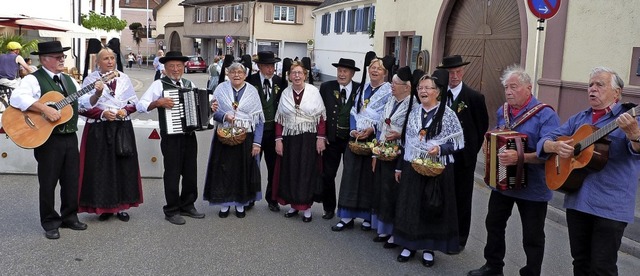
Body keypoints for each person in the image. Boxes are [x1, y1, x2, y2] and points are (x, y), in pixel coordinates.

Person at [538, 67, 640, 275]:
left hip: (610, 205)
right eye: (590, 85)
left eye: (599, 85)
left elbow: (637, 151)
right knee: (580, 262)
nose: (592, 89)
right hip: (578, 201)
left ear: (617, 93)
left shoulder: (630, 118)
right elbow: (545, 140)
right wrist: (555, 146)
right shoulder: (579, 119)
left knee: (603, 267)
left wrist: (635, 135)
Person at [468, 66, 560, 276]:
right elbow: (501, 133)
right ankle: (493, 266)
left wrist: (519, 157)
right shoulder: (504, 111)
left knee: (532, 235)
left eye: (514, 87)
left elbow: (548, 154)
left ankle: (531, 272)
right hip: (503, 182)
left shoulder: (545, 115)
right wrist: (489, 138)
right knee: (494, 223)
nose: (508, 91)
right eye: (506, 87)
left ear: (528, 88)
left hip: (534, 186)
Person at [9, 41, 89, 239]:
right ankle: (50, 221)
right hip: (48, 138)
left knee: (71, 179)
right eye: (57, 56)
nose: (62, 59)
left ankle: (69, 216)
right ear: (45, 60)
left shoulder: (70, 80)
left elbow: (84, 104)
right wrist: (44, 108)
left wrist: (97, 93)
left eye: (62, 56)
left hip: (70, 136)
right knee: (48, 182)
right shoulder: (33, 79)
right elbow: (17, 99)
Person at [393, 70, 464, 267]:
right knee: (410, 205)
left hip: (437, 169)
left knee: (431, 207)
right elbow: (406, 142)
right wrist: (399, 168)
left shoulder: (448, 114)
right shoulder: (414, 112)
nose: (422, 91)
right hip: (412, 165)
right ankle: (409, 245)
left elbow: (458, 143)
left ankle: (428, 249)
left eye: (427, 88)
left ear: (437, 92)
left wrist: (440, 148)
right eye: (420, 88)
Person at [137, 51, 206, 225]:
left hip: (189, 135)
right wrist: (158, 103)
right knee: (172, 173)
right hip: (171, 136)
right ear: (165, 68)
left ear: (183, 67)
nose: (175, 69)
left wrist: (209, 107)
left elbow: (199, 107)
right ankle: (172, 209)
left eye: (179, 66)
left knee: (190, 172)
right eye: (171, 66)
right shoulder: (159, 85)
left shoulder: (189, 83)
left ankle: (188, 205)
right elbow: (141, 105)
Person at [76, 47, 143, 222]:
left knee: (123, 168)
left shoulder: (124, 79)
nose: (110, 61)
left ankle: (122, 206)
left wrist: (124, 111)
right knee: (101, 170)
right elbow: (81, 107)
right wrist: (101, 113)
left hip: (121, 128)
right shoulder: (90, 80)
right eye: (105, 58)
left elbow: (134, 103)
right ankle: (104, 206)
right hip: (99, 129)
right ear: (98, 62)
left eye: (112, 58)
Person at [436, 55, 489, 252]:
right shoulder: (439, 95)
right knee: (440, 194)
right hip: (441, 155)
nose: (455, 76)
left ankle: (459, 238)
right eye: (450, 73)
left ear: (463, 72)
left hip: (463, 158)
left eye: (458, 72)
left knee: (462, 197)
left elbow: (481, 127)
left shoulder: (475, 97)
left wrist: (470, 152)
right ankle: (440, 232)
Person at [332, 57, 392, 232]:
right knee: (350, 175)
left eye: (378, 68)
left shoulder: (388, 91)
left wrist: (372, 129)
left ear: (385, 73)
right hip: (356, 137)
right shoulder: (362, 88)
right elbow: (353, 112)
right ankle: (347, 216)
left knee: (369, 178)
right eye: (372, 67)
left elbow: (387, 118)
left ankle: (367, 216)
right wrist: (352, 131)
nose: (374, 71)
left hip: (374, 138)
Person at [204, 62, 264, 218]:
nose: (236, 75)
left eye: (240, 72)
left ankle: (240, 204)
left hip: (246, 137)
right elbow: (212, 111)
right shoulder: (220, 89)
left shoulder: (252, 92)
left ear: (245, 75)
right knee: (223, 171)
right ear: (228, 74)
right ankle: (224, 204)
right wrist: (224, 116)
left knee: (242, 172)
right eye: (233, 72)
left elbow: (259, 119)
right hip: (223, 136)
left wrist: (257, 143)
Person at [273, 61, 326, 222]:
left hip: (308, 138)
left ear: (305, 75)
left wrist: (320, 138)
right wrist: (278, 140)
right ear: (289, 76)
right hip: (290, 138)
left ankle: (306, 208)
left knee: (306, 171)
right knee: (290, 171)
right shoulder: (285, 93)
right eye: (293, 73)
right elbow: (279, 120)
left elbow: (322, 118)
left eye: (299, 73)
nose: (296, 76)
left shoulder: (313, 92)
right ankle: (293, 206)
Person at [371, 66, 413, 245]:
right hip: (384, 152)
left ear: (407, 87)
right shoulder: (390, 101)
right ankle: (383, 229)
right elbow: (382, 125)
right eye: (393, 83)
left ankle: (395, 231)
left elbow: (413, 132)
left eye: (396, 84)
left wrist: (399, 135)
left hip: (399, 155)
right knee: (383, 191)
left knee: (396, 193)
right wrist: (375, 153)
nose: (392, 86)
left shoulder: (412, 105)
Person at [318, 58, 360, 220]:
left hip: (351, 141)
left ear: (352, 74)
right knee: (328, 175)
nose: (342, 74)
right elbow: (320, 113)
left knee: (350, 176)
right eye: (340, 71)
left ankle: (348, 211)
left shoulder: (359, 88)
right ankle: (329, 208)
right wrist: (321, 135)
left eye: (345, 71)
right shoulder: (327, 87)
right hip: (332, 139)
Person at [246, 51, 288, 212]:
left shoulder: (281, 82)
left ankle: (272, 198)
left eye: (272, 66)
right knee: (253, 165)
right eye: (267, 66)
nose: (270, 69)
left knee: (274, 167)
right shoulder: (250, 81)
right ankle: (250, 197)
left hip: (273, 132)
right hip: (255, 132)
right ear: (259, 66)